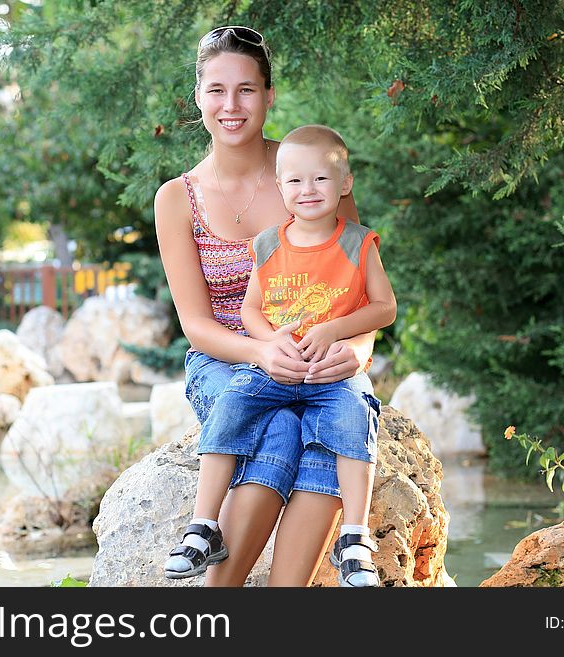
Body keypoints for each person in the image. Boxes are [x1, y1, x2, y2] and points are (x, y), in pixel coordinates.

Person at [155, 26, 379, 587]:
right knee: (279, 426)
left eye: (247, 90)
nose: (231, 106)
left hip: (319, 355)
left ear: (269, 95)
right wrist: (260, 352)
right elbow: (197, 326)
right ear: (198, 96)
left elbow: (360, 292)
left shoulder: (312, 173)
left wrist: (355, 352)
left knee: (331, 425)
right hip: (227, 360)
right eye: (217, 90)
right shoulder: (176, 199)